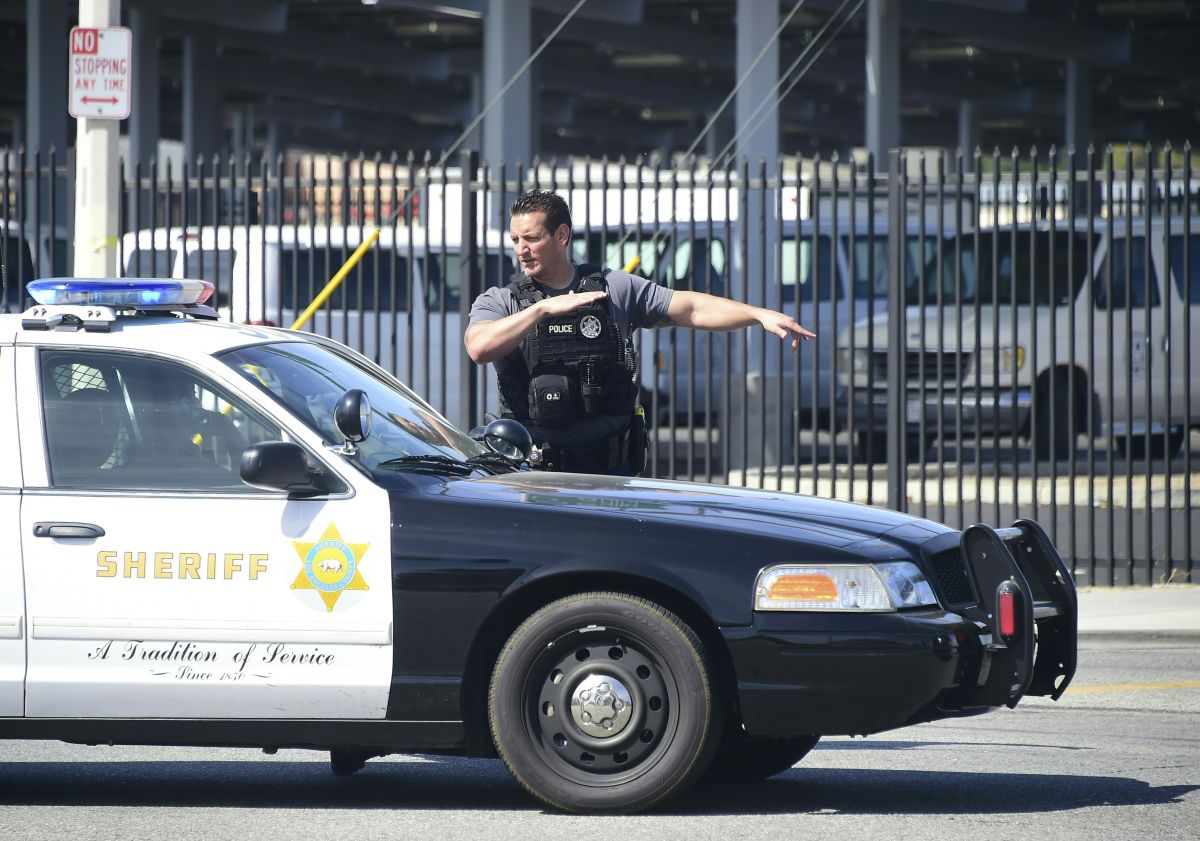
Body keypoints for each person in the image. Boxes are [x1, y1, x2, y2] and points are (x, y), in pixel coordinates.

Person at [465, 190, 815, 475]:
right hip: (533, 473)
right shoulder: (502, 300)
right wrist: (540, 309)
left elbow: (690, 308)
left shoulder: (613, 288)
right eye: (515, 239)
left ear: (562, 235)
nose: (521, 250)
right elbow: (479, 347)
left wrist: (756, 314)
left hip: (609, 473)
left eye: (531, 238)